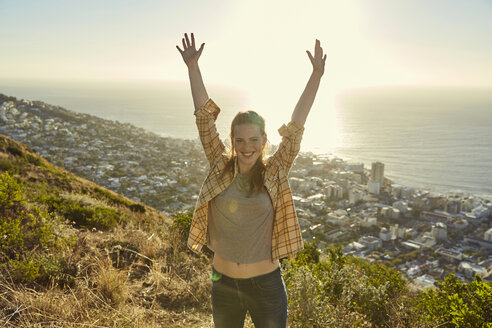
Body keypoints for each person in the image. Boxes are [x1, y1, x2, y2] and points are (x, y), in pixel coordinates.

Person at [176, 32, 326, 328]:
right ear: (231, 141)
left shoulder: (275, 170)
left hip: (266, 286)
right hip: (223, 285)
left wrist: (316, 76)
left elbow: (296, 125)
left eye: (254, 139)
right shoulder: (220, 166)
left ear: (264, 140)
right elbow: (204, 119)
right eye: (240, 140)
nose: (247, 147)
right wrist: (193, 67)